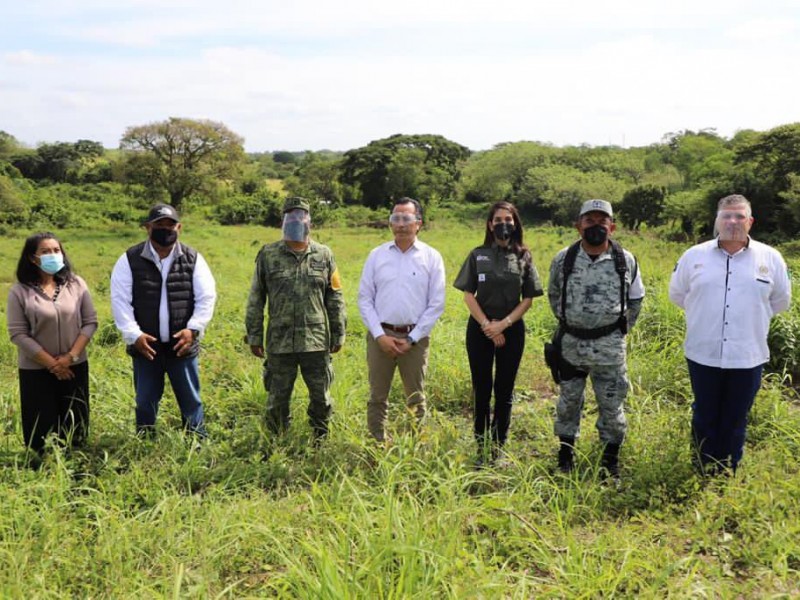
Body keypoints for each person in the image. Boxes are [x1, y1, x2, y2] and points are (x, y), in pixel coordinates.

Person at [669, 194, 791, 475]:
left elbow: (780, 301)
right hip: (703, 352)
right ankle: (701, 467)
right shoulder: (694, 256)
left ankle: (727, 471)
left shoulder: (770, 258)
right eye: (727, 216)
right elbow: (678, 294)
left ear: (750, 222)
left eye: (739, 216)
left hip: (748, 355)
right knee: (705, 413)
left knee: (736, 417)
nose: (733, 222)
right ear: (717, 220)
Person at [548, 199, 645, 477]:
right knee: (568, 403)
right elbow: (555, 294)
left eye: (602, 221)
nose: (596, 226)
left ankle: (609, 462)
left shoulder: (625, 260)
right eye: (589, 221)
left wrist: (618, 329)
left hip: (609, 348)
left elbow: (636, 299)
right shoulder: (563, 258)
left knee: (612, 406)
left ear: (611, 227)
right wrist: (572, 321)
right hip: (570, 345)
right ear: (578, 226)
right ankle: (565, 457)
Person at [110, 204, 217, 437]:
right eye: (159, 224)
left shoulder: (193, 258)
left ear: (179, 227)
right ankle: (145, 442)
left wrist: (194, 329)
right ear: (148, 227)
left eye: (170, 225)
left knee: (191, 399)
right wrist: (134, 335)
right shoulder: (129, 259)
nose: (165, 229)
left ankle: (197, 442)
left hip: (182, 344)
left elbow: (206, 297)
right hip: (146, 347)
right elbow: (120, 301)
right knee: (145, 400)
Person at [245, 197, 346, 440]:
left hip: (316, 341)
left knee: (321, 397)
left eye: (301, 216)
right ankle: (277, 441)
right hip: (280, 342)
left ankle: (320, 439)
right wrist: (254, 335)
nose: (296, 221)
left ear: (310, 221)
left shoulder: (324, 255)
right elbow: (256, 298)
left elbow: (335, 296)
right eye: (291, 216)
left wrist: (339, 331)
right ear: (283, 221)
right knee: (277, 398)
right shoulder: (268, 255)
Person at [453, 201, 542, 466]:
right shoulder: (478, 254)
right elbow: (468, 295)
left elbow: (528, 298)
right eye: (498, 219)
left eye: (509, 219)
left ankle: (498, 446)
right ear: (490, 225)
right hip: (480, 328)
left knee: (505, 389)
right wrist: (487, 326)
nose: (504, 224)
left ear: (515, 224)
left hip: (511, 329)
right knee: (482, 388)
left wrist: (502, 325)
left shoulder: (524, 256)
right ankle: (481, 445)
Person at [358, 197, 446, 443]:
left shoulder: (431, 257)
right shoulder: (376, 256)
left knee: (416, 396)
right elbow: (365, 298)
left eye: (406, 219)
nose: (400, 224)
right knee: (377, 396)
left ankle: (417, 446)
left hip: (415, 340)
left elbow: (436, 303)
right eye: (395, 219)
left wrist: (412, 338)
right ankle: (377, 444)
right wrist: (380, 336)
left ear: (418, 223)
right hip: (381, 337)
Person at [6, 232, 98, 457]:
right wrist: (52, 364)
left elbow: (90, 322)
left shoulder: (76, 284)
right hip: (36, 370)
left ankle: (76, 465)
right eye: (45, 251)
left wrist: (70, 357)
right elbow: (18, 333)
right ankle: (43, 467)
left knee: (75, 422)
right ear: (32, 258)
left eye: (56, 250)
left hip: (74, 366)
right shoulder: (20, 291)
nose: (53, 255)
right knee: (41, 427)